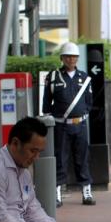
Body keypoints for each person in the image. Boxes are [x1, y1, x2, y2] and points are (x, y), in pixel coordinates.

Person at [42, 42, 95, 207]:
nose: (70, 59)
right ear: (62, 58)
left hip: (80, 125)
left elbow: (89, 102)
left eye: (73, 56)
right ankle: (57, 193)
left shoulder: (85, 78)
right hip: (61, 126)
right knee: (60, 159)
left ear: (77, 58)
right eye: (67, 56)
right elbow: (46, 104)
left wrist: (81, 114)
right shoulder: (53, 77)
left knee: (82, 159)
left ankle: (87, 192)